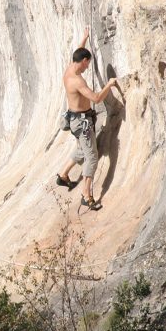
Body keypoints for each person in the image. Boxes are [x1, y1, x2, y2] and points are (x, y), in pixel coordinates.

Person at [56, 27, 118, 211]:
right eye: (87, 64)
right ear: (83, 62)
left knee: (83, 150)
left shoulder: (70, 69)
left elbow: (78, 50)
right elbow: (97, 98)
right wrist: (109, 84)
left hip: (74, 120)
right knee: (92, 157)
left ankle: (63, 175)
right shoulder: (77, 81)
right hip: (82, 123)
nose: (88, 67)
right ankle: (86, 195)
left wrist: (84, 38)